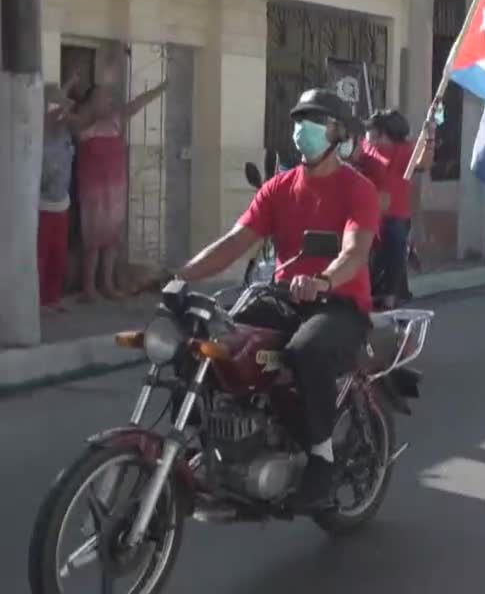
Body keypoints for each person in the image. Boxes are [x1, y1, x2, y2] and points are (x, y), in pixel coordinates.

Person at [173, 88, 380, 510]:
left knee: (305, 351)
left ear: (337, 132)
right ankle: (203, 439)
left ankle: (321, 456)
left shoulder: (357, 189)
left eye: (315, 121)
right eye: (300, 120)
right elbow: (235, 243)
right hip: (284, 296)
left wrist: (323, 280)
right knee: (208, 339)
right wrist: (179, 275)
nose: (303, 130)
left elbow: (355, 252)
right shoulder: (278, 187)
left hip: (337, 303)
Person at [75, 77, 169, 300]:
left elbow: (139, 102)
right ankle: (89, 288)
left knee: (112, 239)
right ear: (90, 101)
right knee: (93, 240)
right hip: (93, 191)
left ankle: (107, 284)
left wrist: (161, 87)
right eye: (101, 97)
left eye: (107, 97)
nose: (107, 101)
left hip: (115, 189)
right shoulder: (83, 123)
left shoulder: (116, 119)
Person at [368, 109, 418, 309]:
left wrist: (429, 135)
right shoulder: (365, 149)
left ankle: (391, 296)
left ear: (384, 133)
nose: (367, 135)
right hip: (369, 216)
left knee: (395, 247)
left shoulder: (406, 151)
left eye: (372, 131)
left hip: (395, 216)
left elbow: (424, 160)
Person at [38, 80, 81, 312]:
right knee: (41, 254)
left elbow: (79, 119)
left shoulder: (65, 129)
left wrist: (66, 92)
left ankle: (52, 298)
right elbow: (53, 116)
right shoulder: (42, 129)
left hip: (61, 202)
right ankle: (39, 300)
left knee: (58, 254)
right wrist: (63, 94)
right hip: (42, 203)